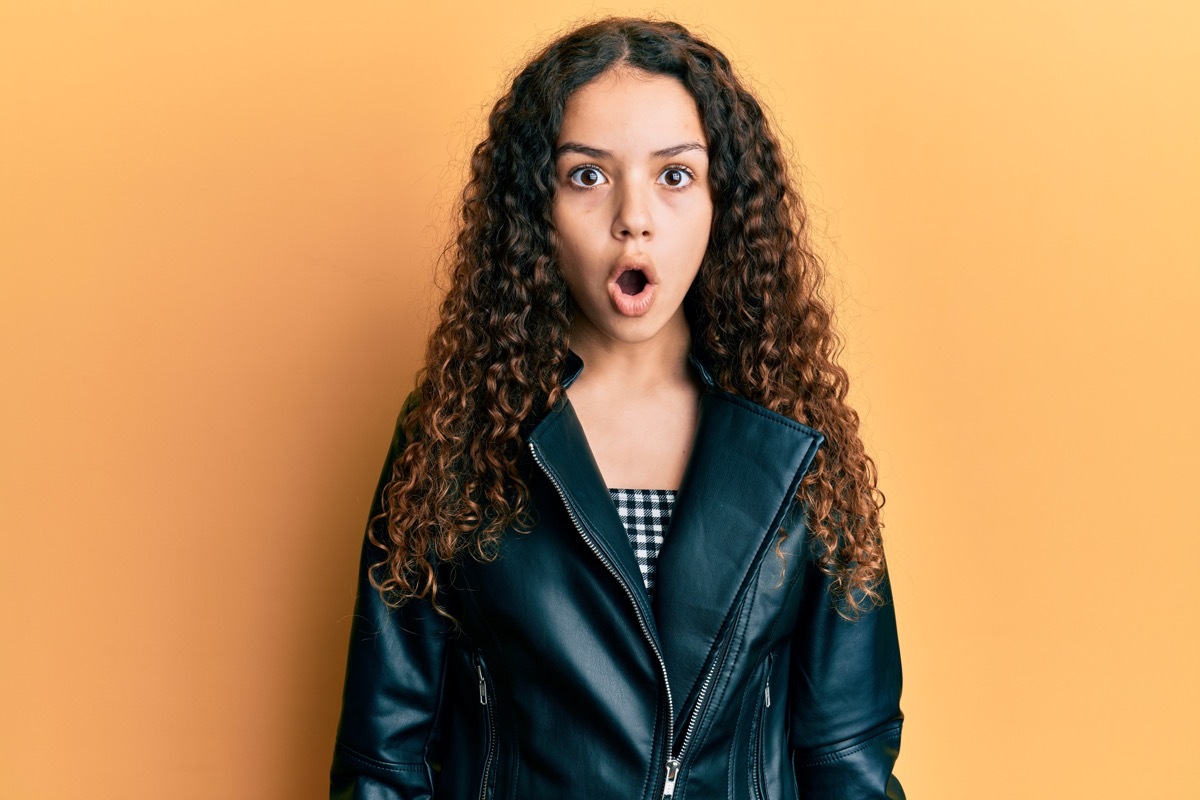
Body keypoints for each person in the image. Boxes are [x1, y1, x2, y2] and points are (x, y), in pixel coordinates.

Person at [330, 17, 904, 800]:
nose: (634, 216)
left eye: (674, 176)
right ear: (537, 209)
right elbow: (382, 765)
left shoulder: (798, 442)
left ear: (722, 202)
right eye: (588, 175)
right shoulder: (455, 430)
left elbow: (848, 763)